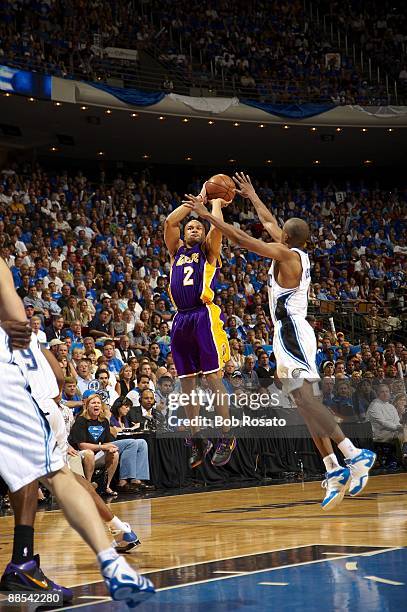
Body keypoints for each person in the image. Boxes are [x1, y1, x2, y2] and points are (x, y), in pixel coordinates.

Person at [184, 173, 376, 510]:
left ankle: (353, 453)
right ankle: (333, 469)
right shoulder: (290, 248)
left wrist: (206, 213)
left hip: (292, 332)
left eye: (279, 230)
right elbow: (268, 220)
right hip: (287, 334)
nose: (273, 229)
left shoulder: (286, 256)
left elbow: (243, 239)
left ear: (286, 237)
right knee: (304, 405)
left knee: (307, 399)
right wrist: (253, 195)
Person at [0, 258, 154, 605]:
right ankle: (112, 553)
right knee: (56, 475)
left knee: (36, 476)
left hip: (37, 400)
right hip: (25, 396)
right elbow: (25, 333)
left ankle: (26, 564)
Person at [14, 335, 140, 553]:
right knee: (66, 477)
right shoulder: (33, 342)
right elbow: (60, 379)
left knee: (21, 477)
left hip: (25, 411)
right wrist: (52, 402)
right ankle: (118, 528)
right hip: (49, 409)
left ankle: (22, 554)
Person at [164, 190, 236, 468]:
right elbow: (170, 223)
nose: (193, 228)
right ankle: (196, 438)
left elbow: (216, 228)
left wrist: (214, 204)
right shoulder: (176, 251)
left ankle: (226, 435)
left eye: (198, 227)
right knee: (187, 383)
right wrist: (199, 199)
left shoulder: (207, 253)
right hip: (181, 319)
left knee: (213, 379)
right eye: (190, 227)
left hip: (203, 315)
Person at [69, 393, 151, 495]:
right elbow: (82, 446)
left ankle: (131, 481)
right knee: (131, 443)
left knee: (141, 442)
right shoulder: (81, 420)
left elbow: (107, 441)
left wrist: (109, 447)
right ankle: (123, 481)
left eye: (98, 403)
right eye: (93, 403)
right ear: (87, 406)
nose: (96, 405)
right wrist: (104, 447)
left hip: (98, 453)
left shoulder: (103, 421)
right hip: (83, 454)